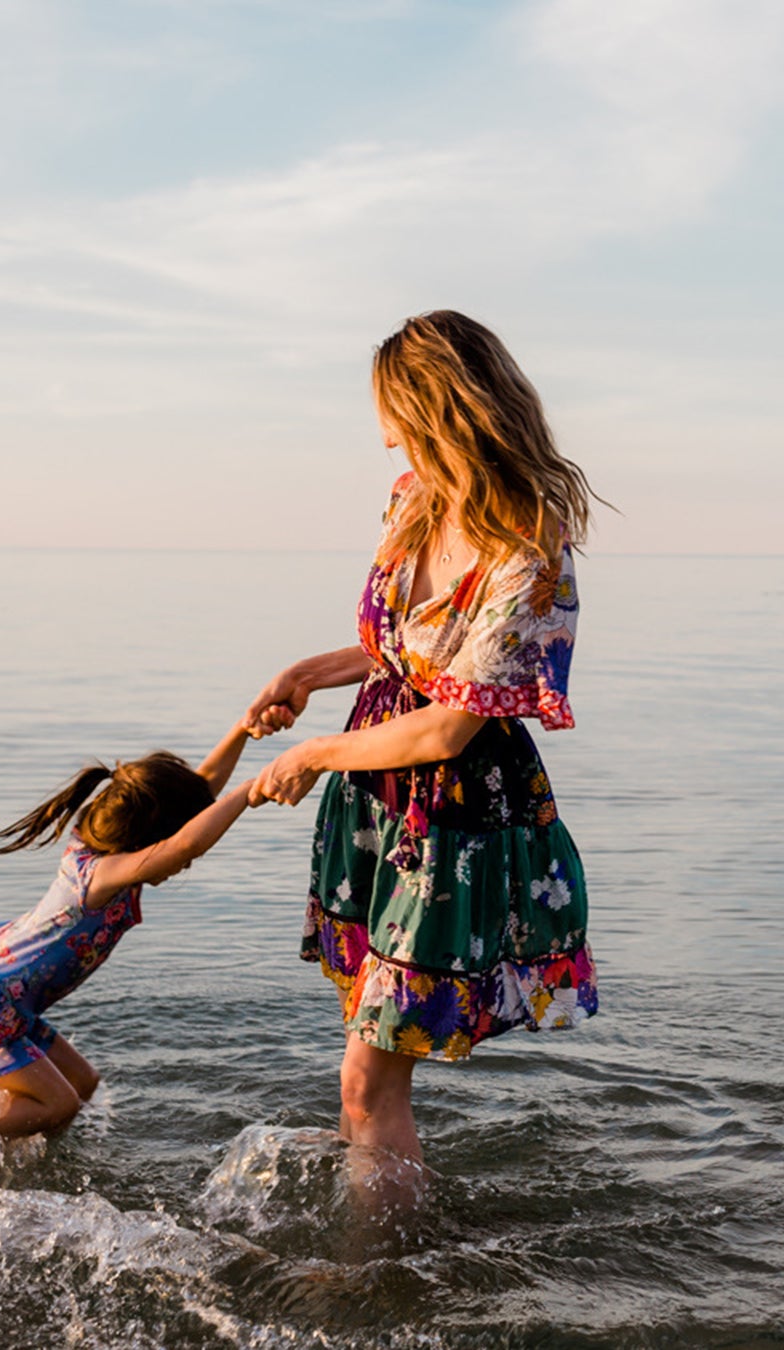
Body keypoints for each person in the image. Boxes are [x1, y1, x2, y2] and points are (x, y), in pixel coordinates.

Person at [243, 310, 598, 1197]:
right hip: (375, 800)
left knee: (368, 1076)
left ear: (441, 408)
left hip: (451, 818)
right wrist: (309, 671)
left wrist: (319, 753)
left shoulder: (527, 541)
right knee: (368, 1056)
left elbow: (450, 721)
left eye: (394, 411)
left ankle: (381, 1279)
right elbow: (407, 648)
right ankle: (380, 1223)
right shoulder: (412, 498)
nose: (384, 433)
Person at [0, 724, 256, 1139]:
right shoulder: (100, 875)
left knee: (81, 1084)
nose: (185, 865)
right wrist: (250, 791)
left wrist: (244, 729)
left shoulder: (108, 853)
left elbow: (196, 800)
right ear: (150, 838)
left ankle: (9, 1159)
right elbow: (184, 845)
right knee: (57, 1101)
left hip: (7, 1002)